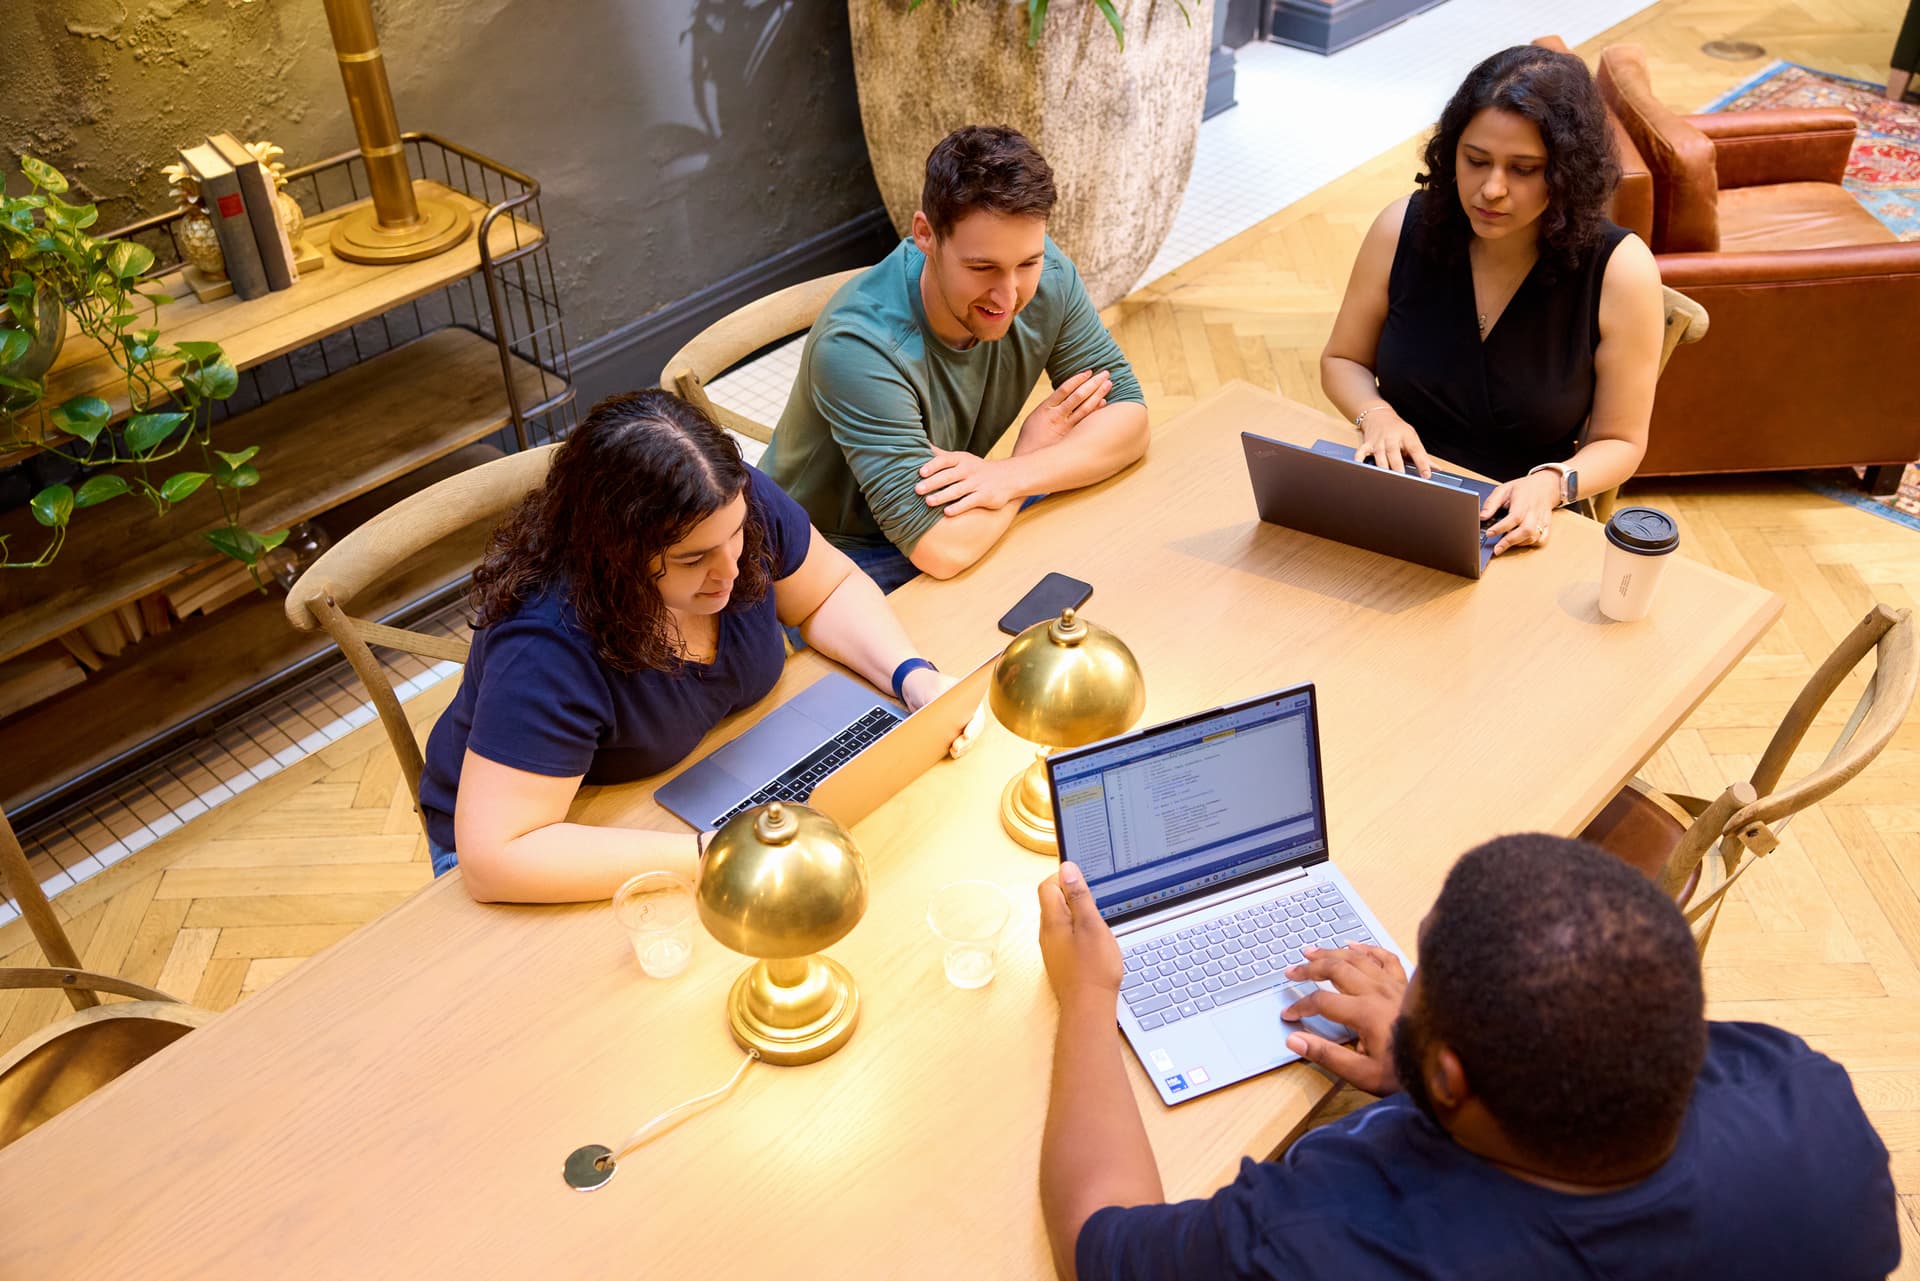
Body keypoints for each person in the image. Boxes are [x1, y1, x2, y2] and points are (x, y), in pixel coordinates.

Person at [1035, 834, 1900, 1280]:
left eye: (1421, 984)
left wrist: (1088, 996)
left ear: (1445, 1077)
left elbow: (1097, 1240)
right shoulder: (1819, 1117)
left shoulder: (1321, 1240)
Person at [415, 389, 964, 904]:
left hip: (705, 775)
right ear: (615, 552)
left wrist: (914, 677)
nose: (729, 571)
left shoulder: (719, 505)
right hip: (557, 829)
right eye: (692, 559)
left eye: (738, 535)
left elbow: (827, 590)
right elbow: (497, 856)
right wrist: (721, 852)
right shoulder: (546, 641)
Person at [762, 124, 1148, 592]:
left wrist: (1009, 475)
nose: (1008, 295)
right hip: (825, 557)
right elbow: (941, 549)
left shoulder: (1048, 275)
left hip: (959, 510)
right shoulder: (856, 347)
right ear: (925, 235)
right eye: (982, 267)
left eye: (1027, 262)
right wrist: (1029, 457)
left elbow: (1130, 420)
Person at [1320, 45, 1664, 557]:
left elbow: (1622, 441)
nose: (1491, 189)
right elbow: (1342, 359)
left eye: (1523, 169)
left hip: (1517, 523)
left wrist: (1553, 483)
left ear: (1568, 173)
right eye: (1476, 161)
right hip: (1393, 497)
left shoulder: (1621, 270)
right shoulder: (1401, 227)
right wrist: (1376, 415)